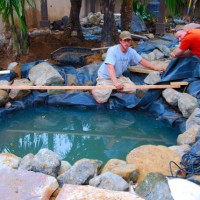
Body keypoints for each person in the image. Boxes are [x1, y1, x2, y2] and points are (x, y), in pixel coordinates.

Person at [92, 30, 166, 104]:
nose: (127, 43)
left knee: (134, 90)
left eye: (128, 41)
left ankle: (114, 89)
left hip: (118, 77)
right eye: (125, 41)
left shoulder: (131, 51)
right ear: (120, 41)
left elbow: (141, 61)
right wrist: (116, 83)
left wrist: (155, 68)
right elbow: (110, 67)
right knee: (100, 100)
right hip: (106, 78)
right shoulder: (112, 50)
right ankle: (96, 90)